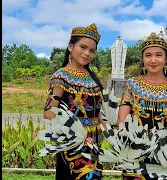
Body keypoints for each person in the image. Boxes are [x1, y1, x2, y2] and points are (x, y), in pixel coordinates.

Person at [117, 32, 167, 180]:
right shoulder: (132, 85)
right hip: (134, 151)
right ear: (142, 59)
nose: (153, 60)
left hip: (163, 153)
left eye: (158, 55)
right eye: (148, 55)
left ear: (166, 59)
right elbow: (122, 119)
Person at [43, 23, 106, 180]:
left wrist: (111, 131)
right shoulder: (61, 77)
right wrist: (78, 132)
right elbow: (49, 113)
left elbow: (98, 113)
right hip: (71, 140)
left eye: (92, 51)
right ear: (70, 46)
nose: (87, 53)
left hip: (95, 141)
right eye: (82, 47)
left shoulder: (93, 78)